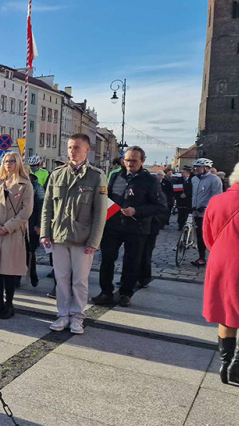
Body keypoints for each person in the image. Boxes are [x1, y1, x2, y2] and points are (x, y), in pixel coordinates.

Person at [41, 135, 108, 333]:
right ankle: (62, 315)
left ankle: (78, 316)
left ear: (87, 150)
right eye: (70, 147)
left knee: (79, 280)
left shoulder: (96, 176)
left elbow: (100, 213)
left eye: (77, 147)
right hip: (60, 236)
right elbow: (47, 208)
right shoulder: (57, 174)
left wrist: (94, 241)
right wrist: (45, 232)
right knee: (61, 279)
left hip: (83, 238)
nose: (72, 151)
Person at [91, 146, 165, 307]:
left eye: (134, 160)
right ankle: (105, 292)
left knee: (132, 262)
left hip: (137, 228)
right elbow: (107, 198)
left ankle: (125, 293)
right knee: (107, 259)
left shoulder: (150, 181)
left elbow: (160, 206)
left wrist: (136, 211)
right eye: (127, 160)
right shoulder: (116, 177)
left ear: (142, 161)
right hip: (113, 226)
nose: (130, 163)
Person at [202, 159, 239, 386]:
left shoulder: (217, 200)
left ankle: (225, 364)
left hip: (220, 261)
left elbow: (208, 236)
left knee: (227, 312)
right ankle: (238, 365)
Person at [0, 151, 34, 320]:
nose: (8, 164)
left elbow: (26, 211)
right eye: (5, 161)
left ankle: (9, 304)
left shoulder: (25, 184)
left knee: (8, 271)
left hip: (12, 233)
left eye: (12, 161)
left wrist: (8, 226)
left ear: (18, 163)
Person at [190, 158, 223, 267]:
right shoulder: (194, 179)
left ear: (206, 168)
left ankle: (213, 258)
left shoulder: (214, 179)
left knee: (206, 236)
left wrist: (207, 207)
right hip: (195, 211)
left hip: (207, 213)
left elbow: (217, 197)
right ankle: (201, 257)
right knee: (199, 235)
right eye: (195, 167)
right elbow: (193, 194)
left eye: (198, 167)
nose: (196, 169)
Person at [138, 189, 170, 289]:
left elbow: (163, 211)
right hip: (138, 227)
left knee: (146, 253)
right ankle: (130, 277)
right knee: (134, 254)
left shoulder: (159, 195)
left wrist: (156, 222)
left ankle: (144, 278)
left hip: (151, 228)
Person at [27, 172, 44, 287]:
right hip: (19, 226)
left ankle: (33, 274)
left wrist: (39, 225)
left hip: (32, 226)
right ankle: (17, 278)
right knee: (19, 253)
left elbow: (42, 207)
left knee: (30, 252)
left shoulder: (37, 187)